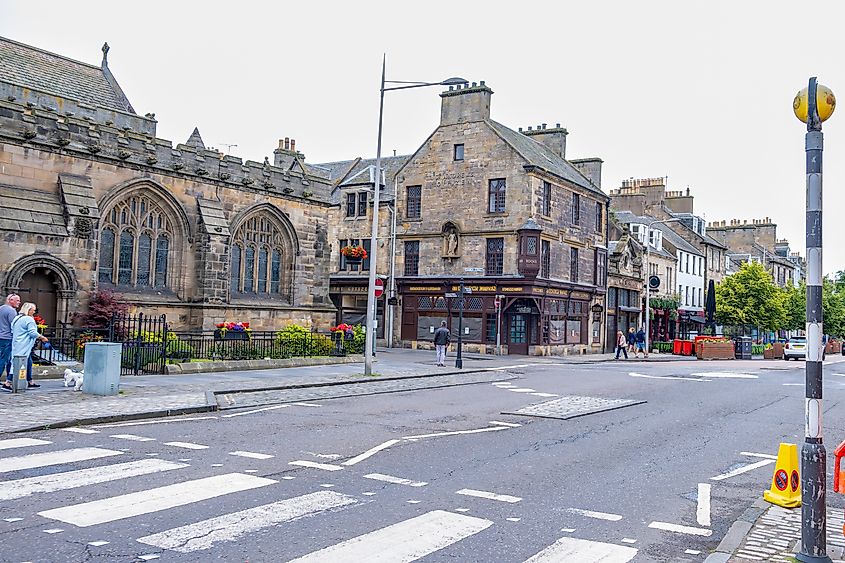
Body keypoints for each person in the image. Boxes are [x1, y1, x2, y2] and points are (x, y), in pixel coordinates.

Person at [4, 302, 47, 391]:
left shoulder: (17, 318)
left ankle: (29, 380)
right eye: (33, 310)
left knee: (26, 362)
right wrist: (42, 337)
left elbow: (12, 329)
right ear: (29, 310)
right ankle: (8, 382)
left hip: (16, 342)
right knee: (19, 363)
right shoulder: (28, 319)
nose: (34, 312)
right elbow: (32, 332)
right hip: (24, 344)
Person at [0, 293, 20, 386]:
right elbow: (14, 326)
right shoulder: (11, 311)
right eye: (17, 300)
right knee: (5, 360)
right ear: (10, 300)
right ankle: (8, 380)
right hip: (7, 338)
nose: (19, 303)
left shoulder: (1, 308)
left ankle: (9, 380)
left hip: (1, 336)